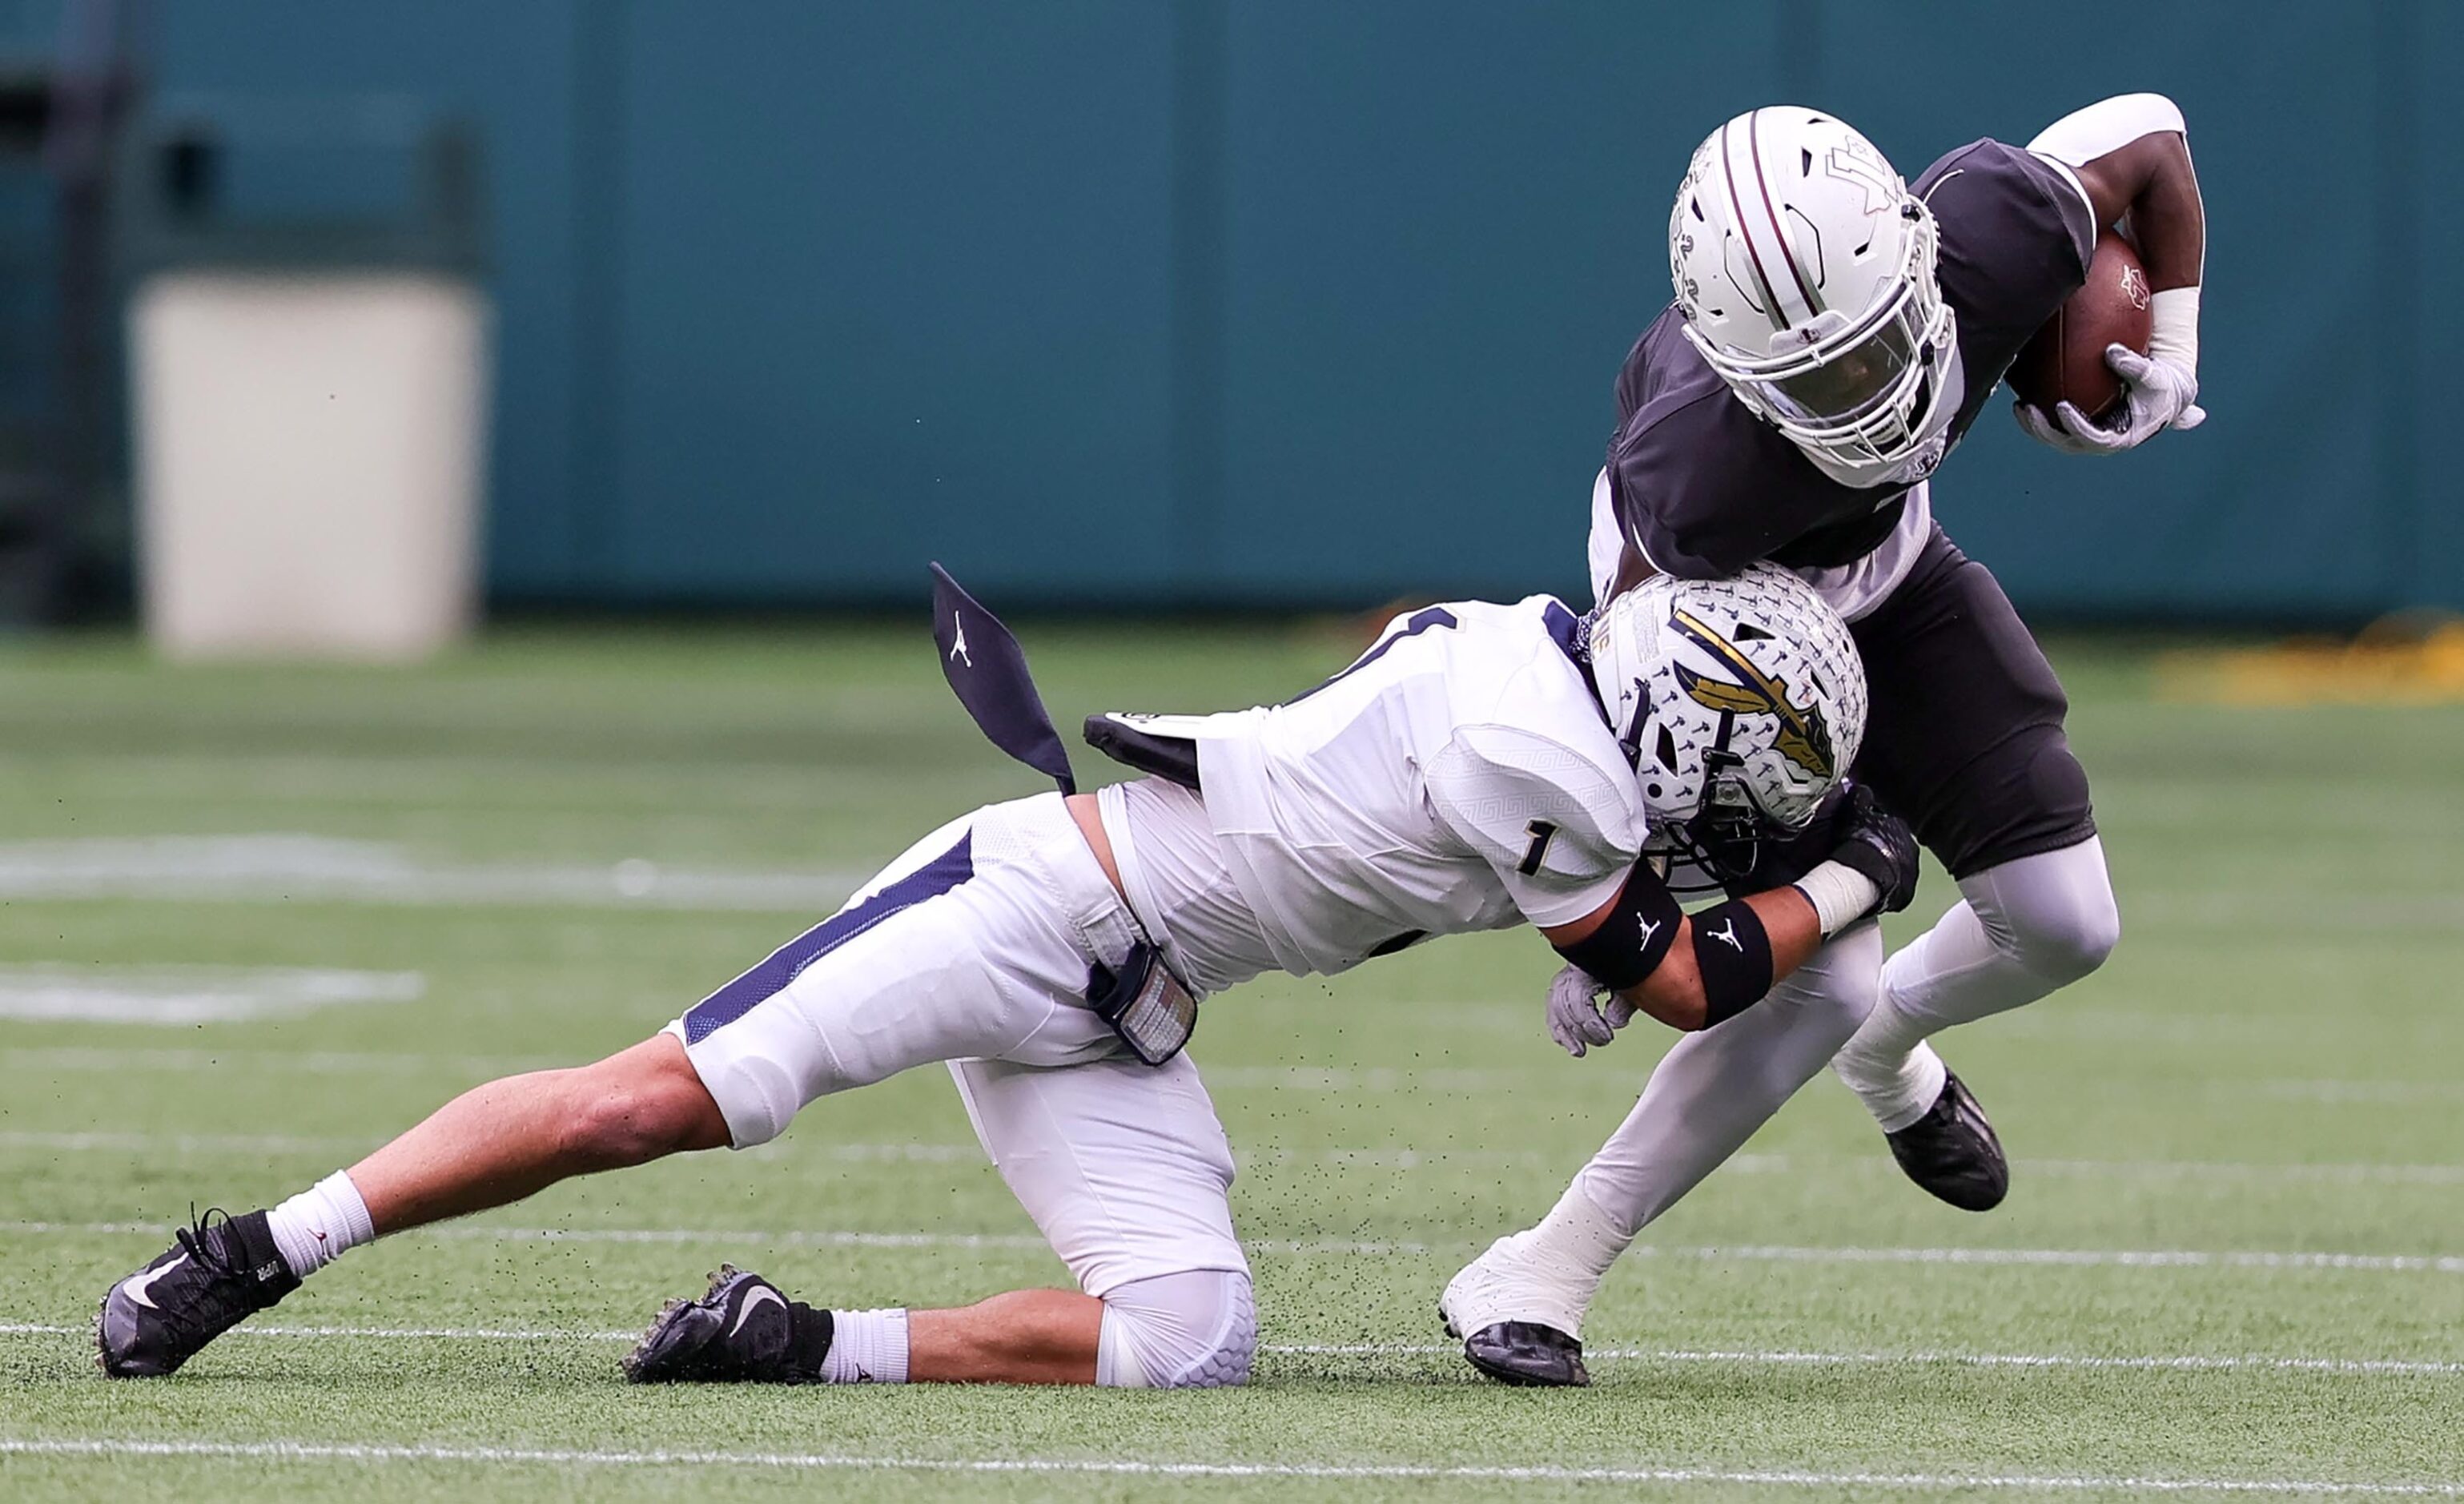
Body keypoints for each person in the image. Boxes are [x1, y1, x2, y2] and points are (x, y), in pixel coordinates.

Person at [96, 564, 1915, 1389]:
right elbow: (1693, 981)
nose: (1760, 815)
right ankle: (261, 1245)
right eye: (1753, 784)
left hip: (1128, 1011)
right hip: (1033, 906)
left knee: (1193, 1338)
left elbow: (1430, 740)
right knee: (655, 1099)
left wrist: (1567, 892)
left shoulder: (1530, 645)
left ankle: (797, 1345)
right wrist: (1848, 873)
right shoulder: (1565, 773)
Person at [1442, 95, 2206, 1385]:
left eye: (1876, 348)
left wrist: (2173, 340)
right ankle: (1542, 1266)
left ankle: (1888, 1049)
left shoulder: (1988, 236)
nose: (1868, 397)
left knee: (2067, 921)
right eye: (1818, 382)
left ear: (1916, 255)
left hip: (1892, 582)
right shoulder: (1688, 484)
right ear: (1738, 371)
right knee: (1819, 971)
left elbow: (2149, 138)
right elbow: (1633, 680)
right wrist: (1622, 890)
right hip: (1734, 641)